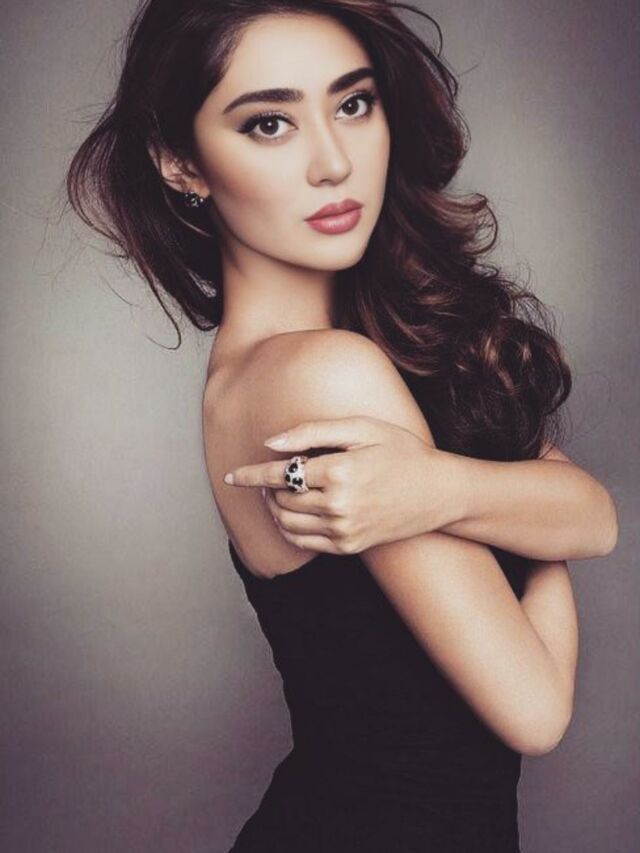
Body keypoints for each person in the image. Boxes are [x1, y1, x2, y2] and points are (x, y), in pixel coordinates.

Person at [64, 1, 618, 850]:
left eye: (353, 104)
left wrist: (438, 487)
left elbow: (597, 519)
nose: (334, 162)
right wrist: (515, 501)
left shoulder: (324, 356)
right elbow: (536, 705)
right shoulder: (321, 374)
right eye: (270, 123)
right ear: (180, 161)